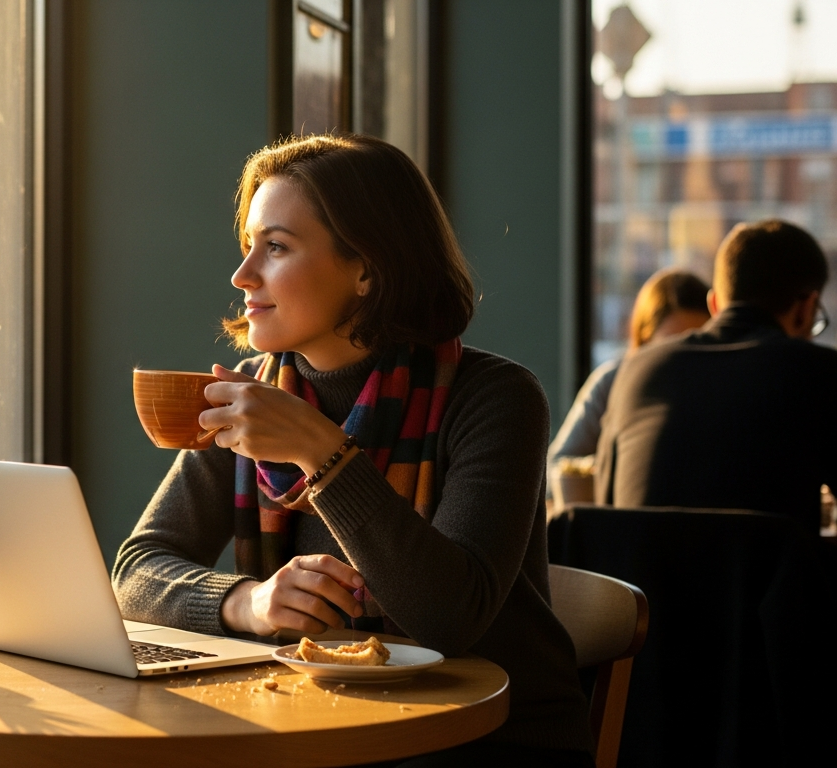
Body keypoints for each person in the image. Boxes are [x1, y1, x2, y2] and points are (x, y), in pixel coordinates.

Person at [113, 135, 593, 766]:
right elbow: (136, 570)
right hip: (310, 728)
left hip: (487, 738)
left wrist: (323, 453)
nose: (242, 274)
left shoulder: (496, 399)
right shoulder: (255, 393)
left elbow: (448, 617)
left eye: (276, 247)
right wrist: (247, 602)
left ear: (366, 266)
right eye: (248, 245)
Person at [594, 219, 837, 531]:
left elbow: (605, 508)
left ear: (714, 304)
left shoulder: (637, 370)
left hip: (641, 579)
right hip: (767, 579)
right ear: (807, 308)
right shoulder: (819, 372)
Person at [547, 268, 710, 508]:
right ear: (643, 341)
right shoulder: (612, 382)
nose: (681, 359)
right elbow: (557, 468)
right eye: (667, 348)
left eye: (695, 343)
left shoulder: (719, 393)